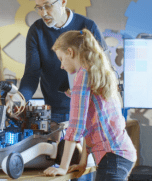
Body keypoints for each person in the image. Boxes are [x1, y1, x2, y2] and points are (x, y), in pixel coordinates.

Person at [43, 29, 137, 180]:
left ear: (70, 52)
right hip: (120, 154)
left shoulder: (83, 76)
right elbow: (89, 127)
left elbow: (75, 126)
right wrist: (82, 163)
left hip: (112, 156)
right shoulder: (95, 73)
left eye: (61, 58)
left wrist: (62, 167)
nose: (61, 65)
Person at [19, 0, 109, 124]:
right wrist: (19, 99)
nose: (43, 13)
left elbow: (104, 69)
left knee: (83, 146)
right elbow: (31, 74)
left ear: (63, 1)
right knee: (48, 146)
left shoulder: (87, 27)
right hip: (51, 110)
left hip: (86, 110)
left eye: (48, 6)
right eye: (39, 8)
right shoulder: (36, 31)